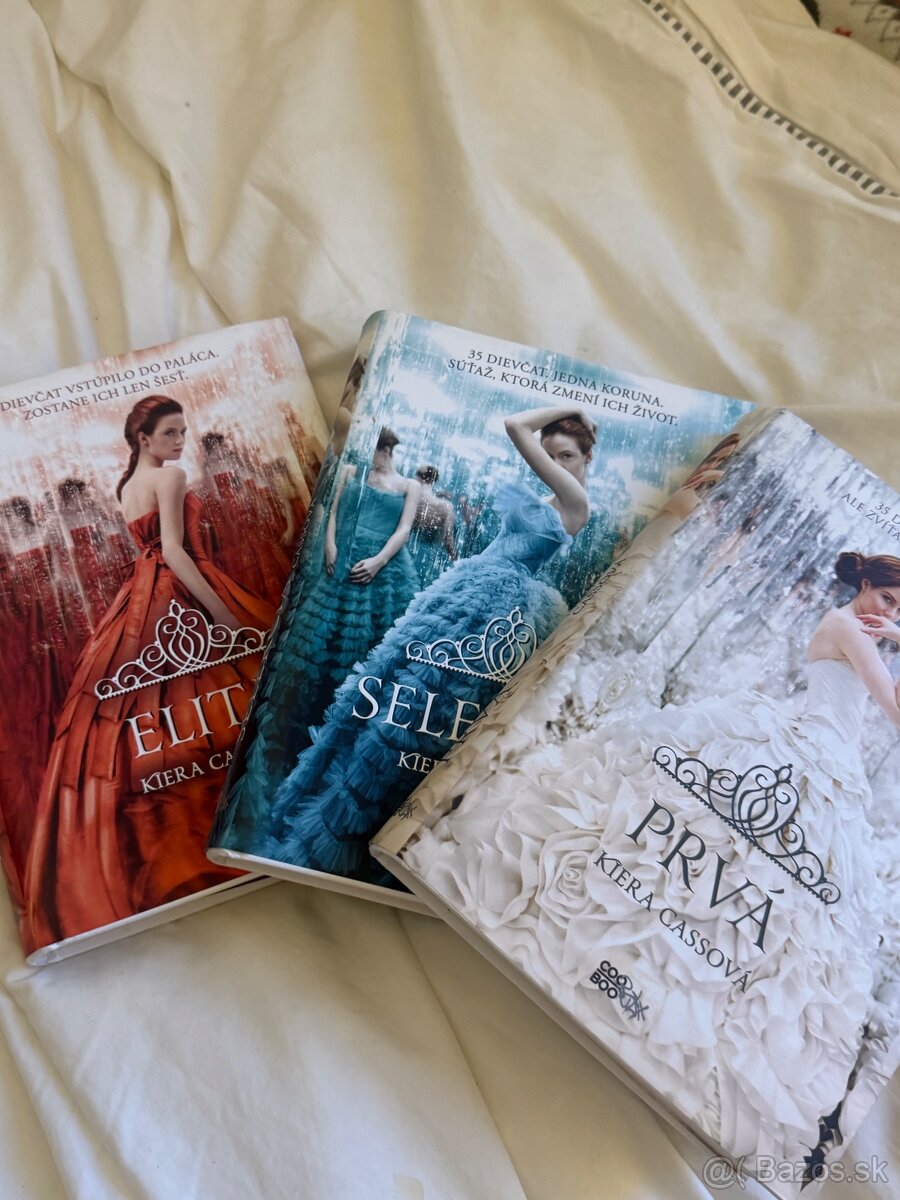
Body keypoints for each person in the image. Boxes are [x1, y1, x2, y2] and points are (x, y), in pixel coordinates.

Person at [405, 549, 900, 1165]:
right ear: (865, 583)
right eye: (887, 598)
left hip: (829, 770)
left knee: (766, 892)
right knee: (705, 850)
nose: (889, 613)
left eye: (898, 608)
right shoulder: (846, 625)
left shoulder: (867, 635)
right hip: (804, 752)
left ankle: (679, 1006)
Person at [260, 404, 596, 882]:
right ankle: (342, 800)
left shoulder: (576, 502)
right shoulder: (551, 498)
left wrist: (575, 410)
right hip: (471, 588)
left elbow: (515, 425)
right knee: (396, 682)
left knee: (435, 701)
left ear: (587, 457)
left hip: (501, 603)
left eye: (566, 456)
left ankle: (390, 820)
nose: (556, 465)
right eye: (551, 455)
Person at [22, 395, 275, 954]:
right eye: (171, 433)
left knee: (143, 705)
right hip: (182, 586)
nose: (181, 441)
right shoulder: (169, 477)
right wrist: (224, 615)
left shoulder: (126, 487)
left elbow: (151, 551)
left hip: (140, 595)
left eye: (184, 431)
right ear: (144, 438)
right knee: (233, 680)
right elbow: (176, 553)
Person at [408, 465, 458, 586]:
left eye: (417, 474)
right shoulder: (446, 507)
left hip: (404, 550)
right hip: (427, 560)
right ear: (433, 480)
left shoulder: (407, 494)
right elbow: (448, 543)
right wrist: (458, 563)